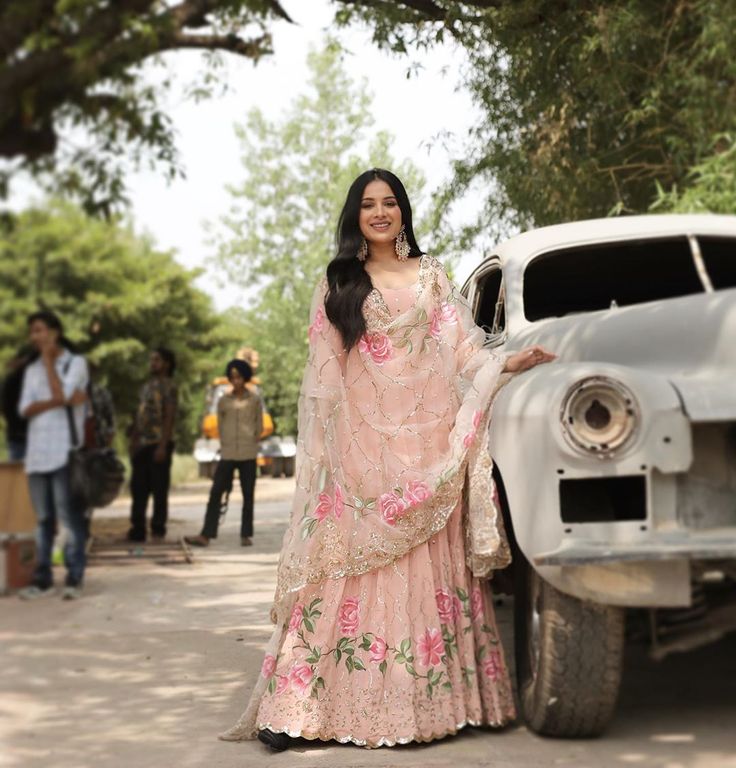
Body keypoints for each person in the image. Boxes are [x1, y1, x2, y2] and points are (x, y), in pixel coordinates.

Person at [220, 168, 556, 751]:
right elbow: (323, 378)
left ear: (403, 212)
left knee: (424, 569)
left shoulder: (430, 276)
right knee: (345, 572)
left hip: (427, 445)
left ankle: (425, 707)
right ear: (355, 216)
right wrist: (327, 456)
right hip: (361, 450)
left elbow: (463, 350)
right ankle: (299, 708)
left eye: (390, 203)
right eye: (368, 204)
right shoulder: (338, 283)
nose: (380, 213)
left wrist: (506, 363)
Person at [17, 311, 89, 600]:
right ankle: (43, 578)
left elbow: (63, 394)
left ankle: (74, 576)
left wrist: (49, 364)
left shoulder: (75, 363)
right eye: (32, 332)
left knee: (69, 517)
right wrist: (56, 401)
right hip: (37, 454)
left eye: (40, 330)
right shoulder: (31, 370)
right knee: (43, 519)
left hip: (65, 453)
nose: (35, 337)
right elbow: (25, 409)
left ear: (55, 332)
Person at [184, 359, 263, 548]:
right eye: (233, 377)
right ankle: (206, 534)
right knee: (216, 492)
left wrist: (252, 439)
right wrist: (226, 442)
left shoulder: (254, 400)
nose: (236, 380)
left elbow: (259, 426)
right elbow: (219, 424)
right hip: (227, 453)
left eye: (239, 377)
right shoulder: (223, 401)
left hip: (248, 454)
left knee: (248, 495)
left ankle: (246, 535)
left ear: (245, 378)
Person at [127, 347, 177, 543]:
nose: (152, 363)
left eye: (156, 360)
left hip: (159, 443)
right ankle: (137, 529)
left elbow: (169, 416)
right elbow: (140, 414)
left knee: (159, 489)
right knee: (138, 488)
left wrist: (163, 446)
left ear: (166, 364)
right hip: (141, 444)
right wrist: (133, 438)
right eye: (151, 360)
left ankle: (158, 528)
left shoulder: (169, 386)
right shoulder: (146, 386)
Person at [2, 346, 33, 461]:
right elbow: (6, 409)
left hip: (17, 436)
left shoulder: (10, 379)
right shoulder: (12, 381)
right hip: (20, 436)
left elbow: (5, 409)